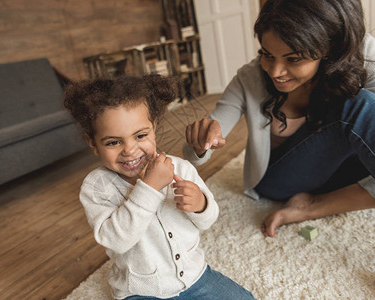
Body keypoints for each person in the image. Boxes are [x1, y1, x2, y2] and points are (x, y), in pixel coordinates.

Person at [184, 0, 375, 237]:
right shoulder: (249, 79)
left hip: (341, 173)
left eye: (293, 59)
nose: (275, 72)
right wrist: (200, 142)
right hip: (279, 180)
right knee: (360, 105)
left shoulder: (358, 57)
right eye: (267, 54)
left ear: (328, 50)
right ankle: (311, 204)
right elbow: (197, 155)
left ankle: (312, 206)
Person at [63, 75, 255, 300]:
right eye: (113, 142)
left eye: (141, 135)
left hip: (195, 277)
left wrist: (201, 205)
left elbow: (208, 220)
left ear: (153, 128)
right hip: (141, 292)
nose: (130, 150)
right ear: (93, 144)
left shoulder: (180, 168)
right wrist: (149, 188)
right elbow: (116, 240)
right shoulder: (97, 188)